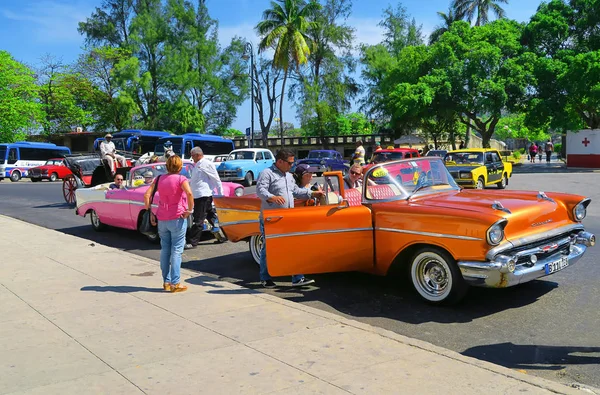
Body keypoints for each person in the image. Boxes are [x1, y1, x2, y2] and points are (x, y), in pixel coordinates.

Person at [256, 149, 325, 288]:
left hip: (288, 218)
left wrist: (312, 193)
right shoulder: (267, 173)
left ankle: (297, 278)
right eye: (289, 163)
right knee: (268, 249)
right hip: (272, 219)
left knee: (293, 246)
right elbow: (260, 190)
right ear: (280, 161)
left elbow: (297, 191)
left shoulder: (289, 176)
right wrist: (272, 197)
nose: (291, 166)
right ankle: (265, 278)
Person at [144, 155, 194, 293]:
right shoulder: (181, 179)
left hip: (162, 218)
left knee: (165, 250)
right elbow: (189, 194)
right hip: (177, 217)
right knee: (177, 251)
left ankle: (166, 281)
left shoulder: (159, 179)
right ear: (179, 167)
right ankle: (175, 282)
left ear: (166, 166)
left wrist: (150, 212)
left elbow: (147, 195)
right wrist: (189, 210)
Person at [187, 147, 224, 248]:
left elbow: (216, 179)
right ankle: (224, 234)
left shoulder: (206, 164)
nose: (191, 157)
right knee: (211, 216)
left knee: (198, 219)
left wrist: (221, 194)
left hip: (203, 195)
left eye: (193, 155)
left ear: (198, 155)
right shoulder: (197, 165)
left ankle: (192, 242)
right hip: (199, 195)